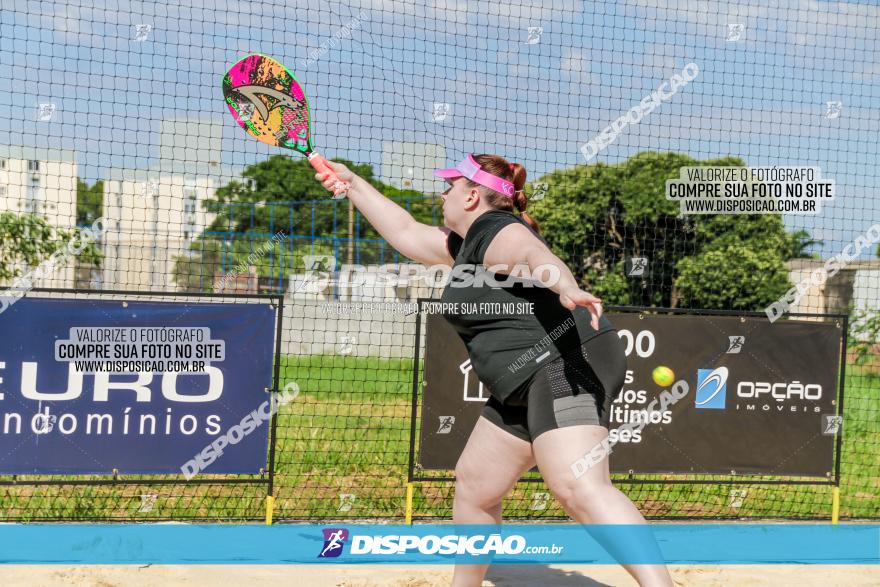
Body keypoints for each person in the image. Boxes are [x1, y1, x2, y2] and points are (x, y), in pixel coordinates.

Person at [316, 154, 673, 587]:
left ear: (470, 197)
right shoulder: (465, 247)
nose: (442, 193)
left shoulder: (496, 230)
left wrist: (566, 285)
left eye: (449, 187)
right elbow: (406, 231)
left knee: (578, 484)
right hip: (523, 381)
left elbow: (530, 253)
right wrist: (352, 183)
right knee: (476, 487)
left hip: (564, 362)